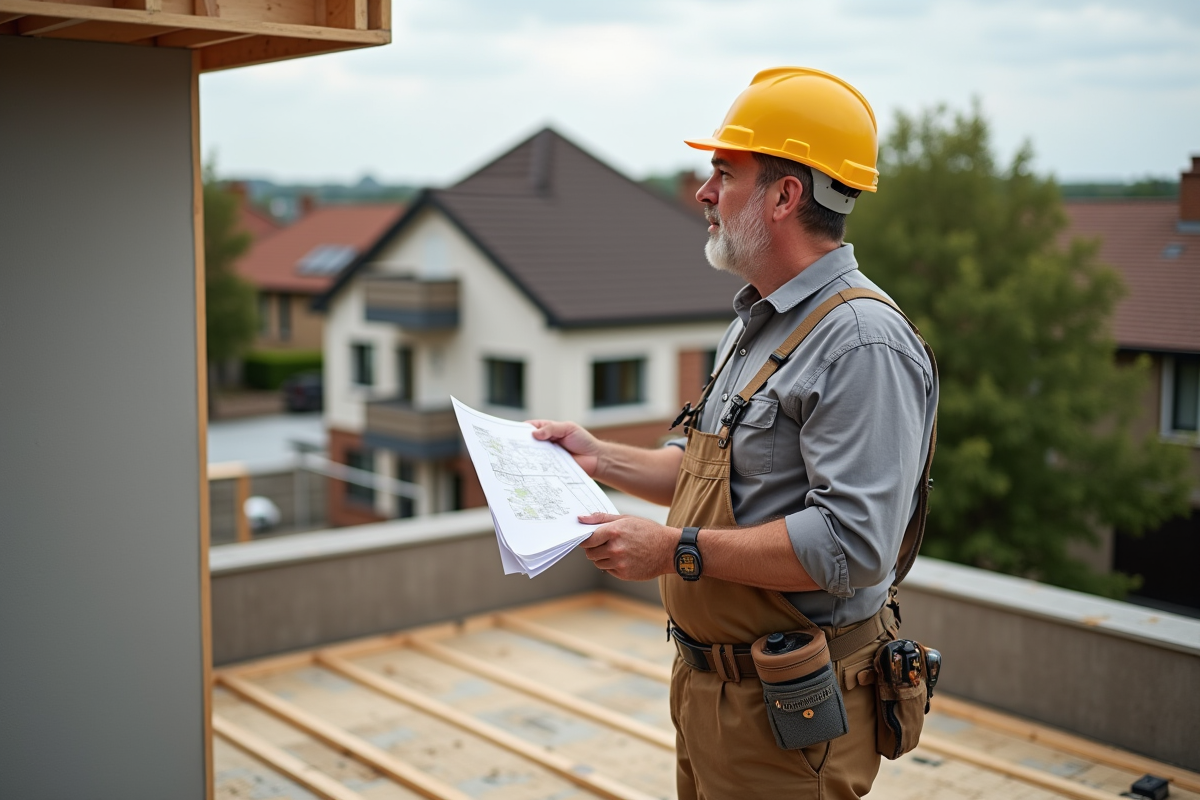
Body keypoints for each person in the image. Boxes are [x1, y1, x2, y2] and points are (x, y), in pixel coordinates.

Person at [530, 67, 938, 799]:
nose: (704, 192)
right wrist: (599, 457)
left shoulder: (861, 342)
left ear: (785, 196)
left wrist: (674, 550)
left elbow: (852, 544)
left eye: (724, 172)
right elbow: (710, 471)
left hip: (790, 708)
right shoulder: (758, 322)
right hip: (711, 692)